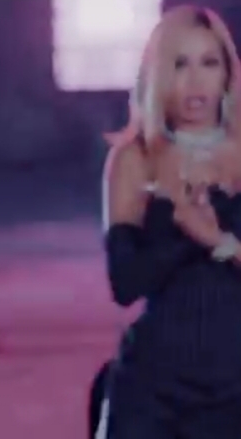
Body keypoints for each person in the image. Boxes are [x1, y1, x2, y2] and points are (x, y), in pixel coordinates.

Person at [103, 5, 241, 438]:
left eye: (209, 63)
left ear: (227, 74)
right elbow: (124, 283)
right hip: (153, 388)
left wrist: (216, 239)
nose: (196, 81)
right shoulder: (135, 158)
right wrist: (182, 235)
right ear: (159, 75)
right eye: (180, 64)